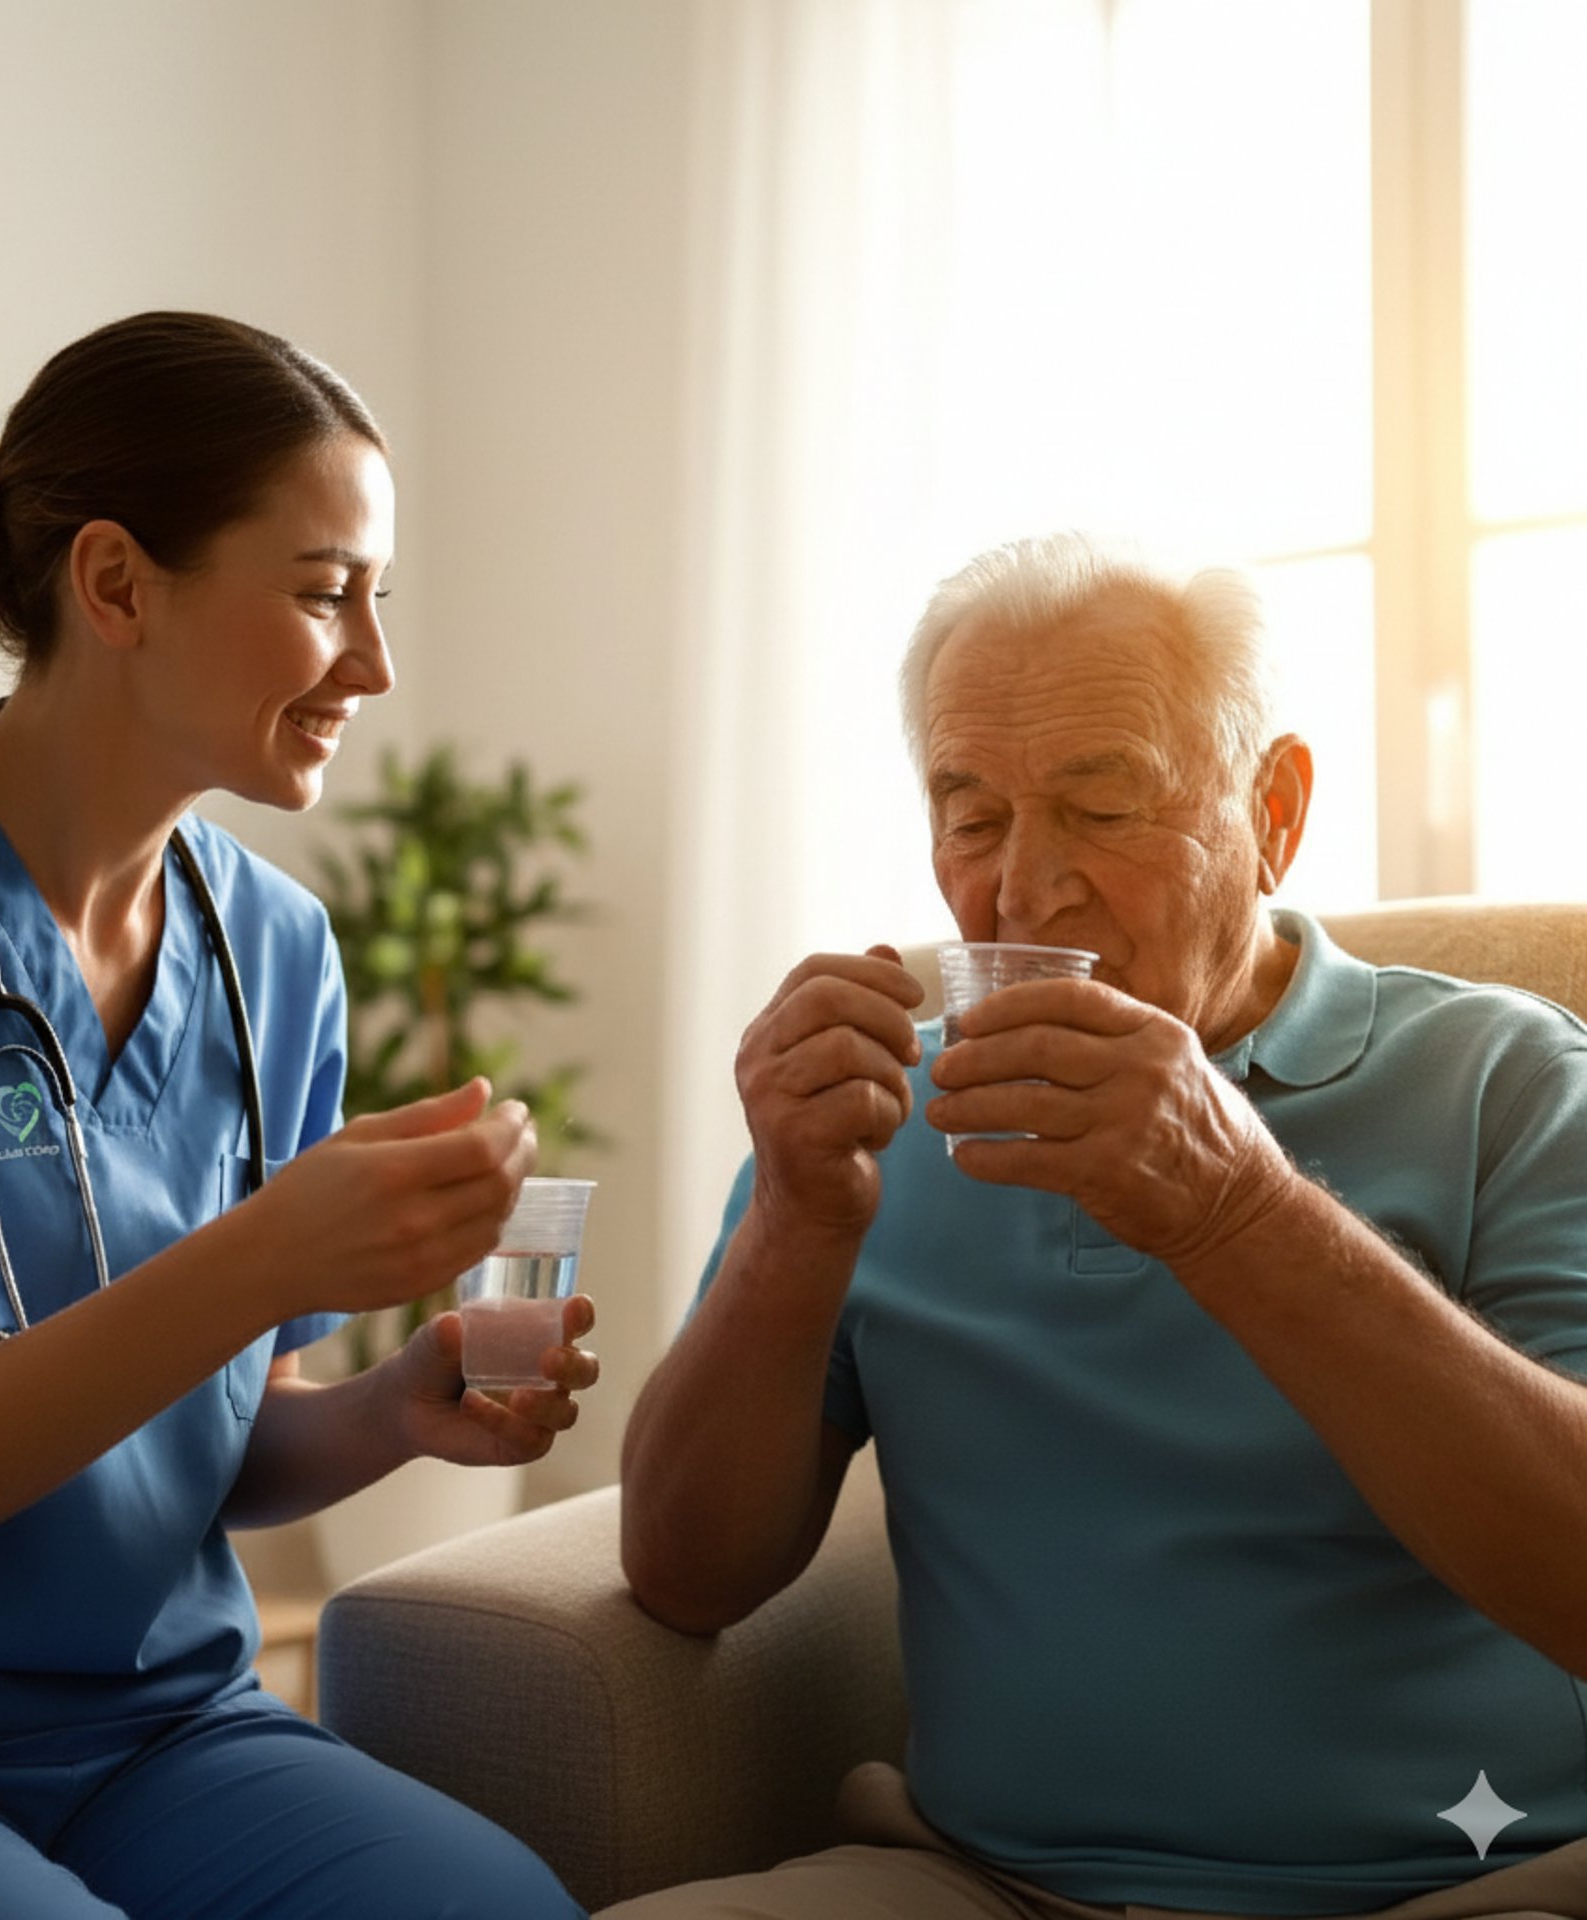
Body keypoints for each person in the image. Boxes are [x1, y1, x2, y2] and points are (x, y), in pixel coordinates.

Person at [0, 311, 596, 1920]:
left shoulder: (275, 949)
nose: (373, 664)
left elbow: (208, 1449)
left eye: (381, 601)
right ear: (114, 585)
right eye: (323, 597)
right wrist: (255, 1259)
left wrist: (392, 1410)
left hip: (161, 1728)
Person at [611, 532, 1587, 1919]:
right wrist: (790, 1222)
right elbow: (684, 1575)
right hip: (981, 1884)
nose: (1023, 890)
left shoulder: (1511, 1083)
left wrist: (1235, 1208)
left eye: (1102, 805)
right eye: (972, 813)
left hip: (1458, 1885)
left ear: (1276, 812)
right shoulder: (878, 1113)